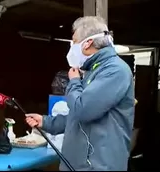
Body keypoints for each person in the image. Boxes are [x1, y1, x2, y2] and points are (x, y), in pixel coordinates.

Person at [26, 16, 134, 171]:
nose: (72, 47)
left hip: (99, 166)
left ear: (88, 43)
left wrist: (74, 81)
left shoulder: (114, 70)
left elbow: (83, 110)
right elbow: (77, 117)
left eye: (74, 41)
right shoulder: (94, 70)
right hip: (79, 165)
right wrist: (45, 122)